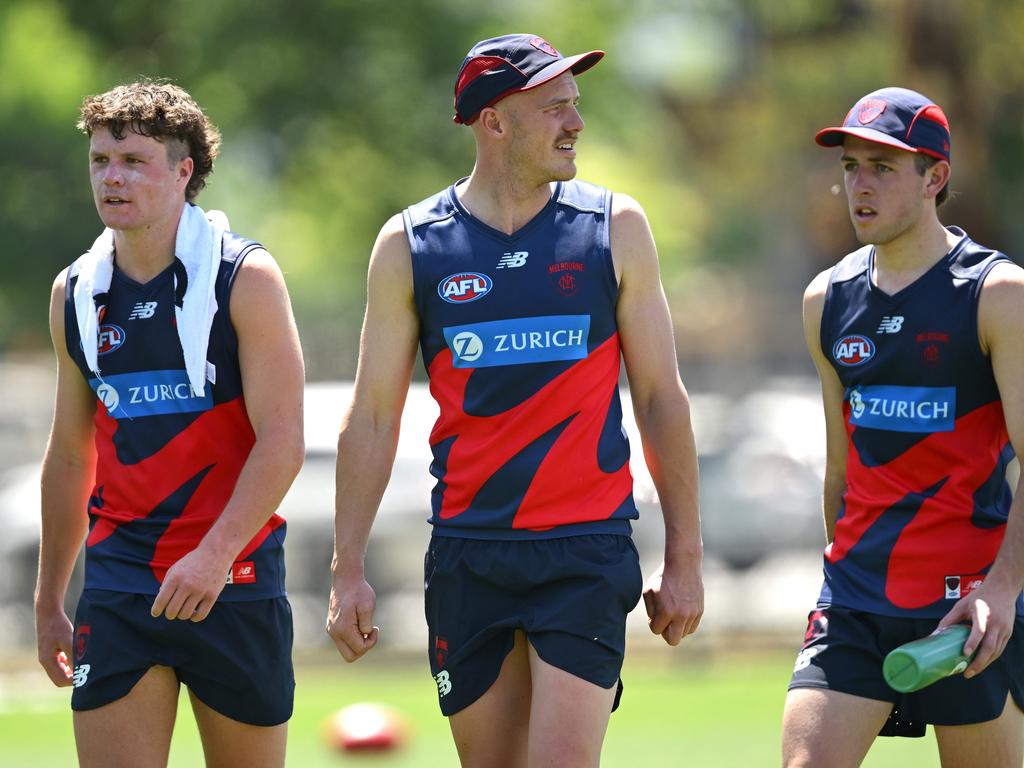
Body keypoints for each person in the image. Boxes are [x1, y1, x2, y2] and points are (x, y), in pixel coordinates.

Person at [326, 33, 704, 767]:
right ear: (495, 121)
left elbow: (661, 398)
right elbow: (372, 415)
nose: (576, 124)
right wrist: (347, 568)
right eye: (555, 107)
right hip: (470, 554)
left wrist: (685, 555)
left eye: (576, 105)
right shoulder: (409, 244)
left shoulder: (613, 228)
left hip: (584, 549)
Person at [34, 81, 305, 768]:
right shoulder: (76, 292)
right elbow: (70, 455)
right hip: (121, 586)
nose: (112, 176)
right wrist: (47, 601)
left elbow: (283, 440)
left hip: (234, 582)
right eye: (100, 161)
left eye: (132, 159)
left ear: (184, 172)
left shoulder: (246, 279)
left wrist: (213, 557)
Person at [782, 87, 1024, 767]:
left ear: (934, 178)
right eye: (851, 166)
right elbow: (839, 472)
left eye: (883, 168)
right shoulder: (825, 300)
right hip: (856, 600)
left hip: (968, 607)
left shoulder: (997, 296)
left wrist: (1002, 589)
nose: (859, 185)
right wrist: (848, 576)